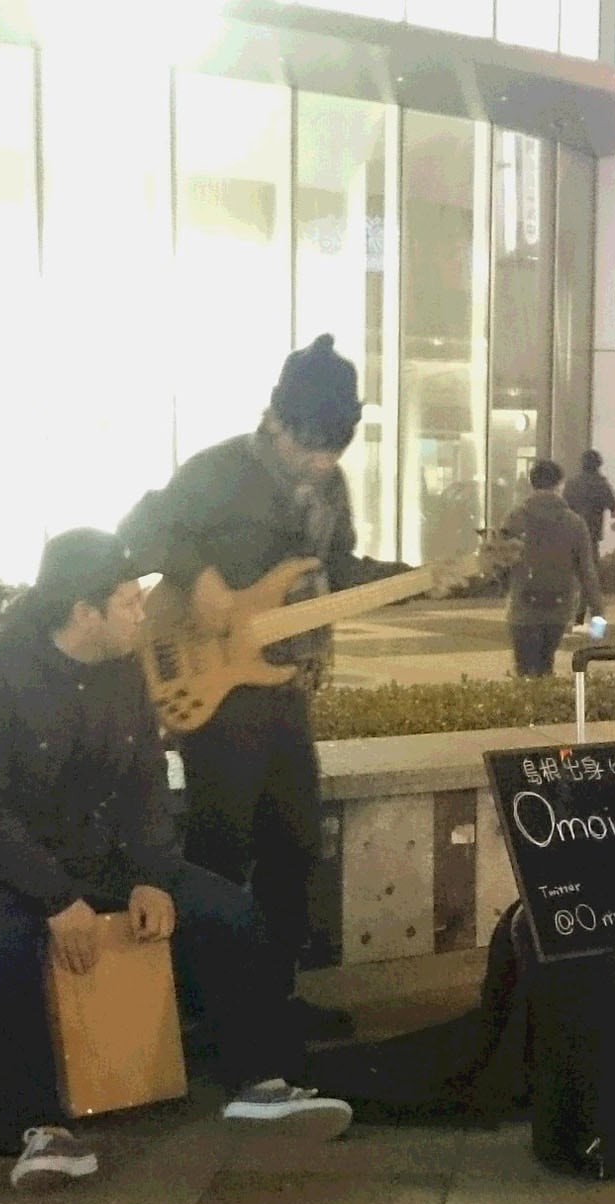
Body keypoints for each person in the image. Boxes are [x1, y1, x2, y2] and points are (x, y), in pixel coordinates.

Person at [0, 530, 352, 1188]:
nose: (142, 614)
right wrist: (55, 899)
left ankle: (256, 1082)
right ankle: (37, 1131)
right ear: (83, 612)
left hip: (92, 857)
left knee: (228, 911)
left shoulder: (124, 670)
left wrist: (151, 876)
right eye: (129, 602)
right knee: (1, 948)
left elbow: (143, 786)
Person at [119, 334, 409, 1043]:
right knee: (220, 847)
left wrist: (408, 580)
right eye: (309, 444)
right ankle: (202, 1007)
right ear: (275, 420)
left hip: (283, 686)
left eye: (333, 448)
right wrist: (201, 578)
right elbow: (140, 530)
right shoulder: (217, 473)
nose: (320, 461)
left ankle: (274, 999)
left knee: (296, 845)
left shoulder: (329, 489)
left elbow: (333, 568)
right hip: (216, 691)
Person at [503, 460, 604, 678]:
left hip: (523, 606)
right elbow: (587, 571)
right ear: (560, 484)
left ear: (532, 483)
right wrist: (598, 615)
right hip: (559, 608)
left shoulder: (515, 518)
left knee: (525, 669)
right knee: (546, 663)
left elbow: (502, 563)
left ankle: (526, 705)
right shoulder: (575, 523)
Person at [563, 449, 615, 623]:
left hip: (571, 535)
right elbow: (613, 505)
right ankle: (587, 616)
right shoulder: (601, 484)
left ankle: (569, 612)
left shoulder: (572, 484)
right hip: (591, 536)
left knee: (570, 576)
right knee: (589, 577)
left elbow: (564, 507)